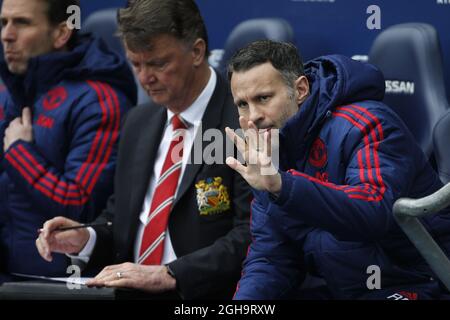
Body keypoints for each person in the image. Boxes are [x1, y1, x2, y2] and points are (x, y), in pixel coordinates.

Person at [36, 0, 251, 300]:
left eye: (158, 63)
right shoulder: (138, 122)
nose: (144, 77)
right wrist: (85, 237)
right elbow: (119, 221)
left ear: (197, 52)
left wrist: (171, 273)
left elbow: (251, 237)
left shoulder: (246, 122)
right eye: (136, 64)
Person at [225, 40, 450, 300]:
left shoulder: (368, 123)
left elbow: (373, 212)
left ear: (300, 89)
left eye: (263, 98)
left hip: (416, 281)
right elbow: (271, 257)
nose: (252, 116)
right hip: (340, 288)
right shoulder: (269, 152)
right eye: (242, 104)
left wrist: (283, 186)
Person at [0, 0, 136, 278]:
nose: (7, 35)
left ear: (62, 33)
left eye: (22, 23)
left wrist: (18, 153)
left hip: (57, 283)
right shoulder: (6, 89)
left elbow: (79, 207)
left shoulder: (99, 101)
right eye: (4, 22)